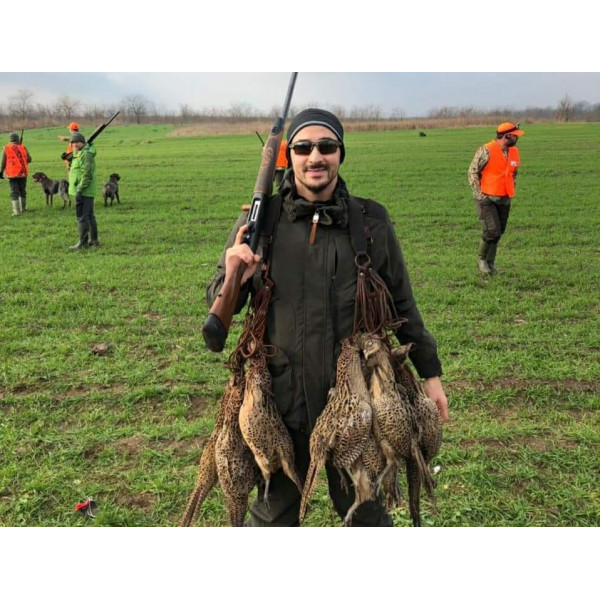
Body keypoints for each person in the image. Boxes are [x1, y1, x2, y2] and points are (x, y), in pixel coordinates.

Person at [207, 108, 449, 527]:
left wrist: (431, 373)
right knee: (272, 518)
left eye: (327, 146)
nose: (315, 156)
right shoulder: (260, 223)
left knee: (366, 515)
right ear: (290, 156)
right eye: (303, 147)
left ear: (340, 154)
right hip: (279, 404)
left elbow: (403, 303)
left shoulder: (370, 222)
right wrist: (235, 274)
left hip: (355, 405)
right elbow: (216, 310)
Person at [468, 122, 524, 274]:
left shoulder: (514, 152)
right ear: (506, 136)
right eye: (515, 136)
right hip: (487, 198)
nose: (517, 138)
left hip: (505, 198)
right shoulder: (486, 150)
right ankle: (482, 261)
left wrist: (512, 189)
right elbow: (472, 172)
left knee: (499, 231)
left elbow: (513, 173)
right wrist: (479, 195)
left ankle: (491, 263)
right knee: (492, 231)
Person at [68, 131, 99, 249]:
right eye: (73, 142)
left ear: (83, 142)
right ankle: (94, 241)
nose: (74, 144)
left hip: (84, 190)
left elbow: (87, 175)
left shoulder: (86, 155)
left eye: (77, 142)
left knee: (82, 216)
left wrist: (79, 190)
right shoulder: (80, 152)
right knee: (89, 215)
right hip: (84, 189)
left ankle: (83, 242)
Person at [0, 132, 32, 216]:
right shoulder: (23, 147)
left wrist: (1, 172)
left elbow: (3, 162)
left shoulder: (6, 148)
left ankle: (16, 212)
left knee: (14, 192)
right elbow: (29, 159)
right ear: (18, 139)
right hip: (23, 173)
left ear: (10, 140)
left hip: (12, 174)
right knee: (22, 191)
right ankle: (23, 209)